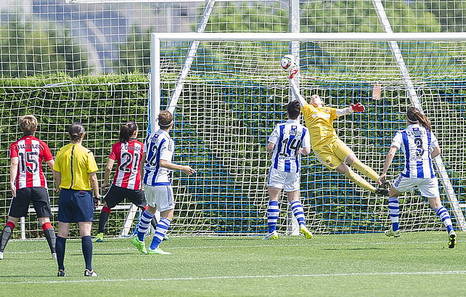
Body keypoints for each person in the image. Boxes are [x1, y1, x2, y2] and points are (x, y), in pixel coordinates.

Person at [378, 106, 456, 248]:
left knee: (392, 193)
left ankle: (395, 228)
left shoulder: (402, 133)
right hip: (429, 175)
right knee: (437, 205)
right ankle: (450, 229)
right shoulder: (427, 132)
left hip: (410, 173)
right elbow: (438, 150)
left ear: (406, 119)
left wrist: (383, 173)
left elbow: (391, 153)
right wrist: (426, 158)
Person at [292, 88, 384, 194]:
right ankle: (375, 190)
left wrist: (352, 109)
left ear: (321, 101)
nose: (313, 97)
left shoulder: (328, 110)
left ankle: (380, 180)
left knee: (355, 162)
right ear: (309, 102)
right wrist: (291, 80)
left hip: (334, 142)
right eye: (311, 98)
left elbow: (342, 111)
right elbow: (298, 95)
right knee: (346, 171)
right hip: (321, 150)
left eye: (316, 96)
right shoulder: (308, 109)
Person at [130, 110, 195, 254]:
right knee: (168, 212)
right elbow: (163, 162)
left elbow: (143, 159)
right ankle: (154, 246)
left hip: (148, 180)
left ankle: (139, 238)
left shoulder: (150, 136)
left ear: (159, 122)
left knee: (151, 208)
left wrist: (141, 177)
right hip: (160, 180)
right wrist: (182, 168)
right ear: (172, 123)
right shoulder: (167, 140)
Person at [0, 115, 56, 260]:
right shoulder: (42, 144)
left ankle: (0, 252)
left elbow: (14, 163)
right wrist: (58, 182)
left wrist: (12, 182)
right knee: (45, 221)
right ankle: (55, 252)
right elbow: (53, 166)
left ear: (21, 128)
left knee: (12, 220)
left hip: (22, 186)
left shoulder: (15, 145)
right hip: (39, 186)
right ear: (35, 128)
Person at [96, 122, 157, 242]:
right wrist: (143, 183)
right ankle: (160, 232)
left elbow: (108, 167)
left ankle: (100, 235)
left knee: (107, 206)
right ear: (134, 132)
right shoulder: (141, 146)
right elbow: (142, 165)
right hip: (135, 186)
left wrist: (105, 182)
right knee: (146, 207)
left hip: (118, 185)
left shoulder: (117, 146)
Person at [53, 122, 100, 276]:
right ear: (83, 135)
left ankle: (61, 269)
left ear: (69, 135)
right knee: (85, 231)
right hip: (82, 194)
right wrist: (97, 195)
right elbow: (93, 178)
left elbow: (56, 174)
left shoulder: (61, 152)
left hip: (66, 193)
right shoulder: (86, 153)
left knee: (62, 232)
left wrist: (58, 186)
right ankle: (88, 268)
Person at [265, 100, 313, 239]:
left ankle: (272, 231)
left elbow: (270, 146)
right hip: (293, 168)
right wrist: (297, 151)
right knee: (294, 199)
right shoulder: (304, 130)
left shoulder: (279, 127)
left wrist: (271, 151)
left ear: (287, 112)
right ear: (300, 114)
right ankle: (302, 224)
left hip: (278, 166)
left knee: (274, 198)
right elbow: (307, 151)